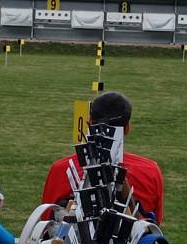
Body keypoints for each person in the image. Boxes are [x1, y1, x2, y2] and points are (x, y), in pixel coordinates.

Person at [41, 91, 164, 224]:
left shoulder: (60, 169)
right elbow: (154, 224)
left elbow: (46, 222)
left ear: (89, 122)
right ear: (127, 128)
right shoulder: (151, 171)